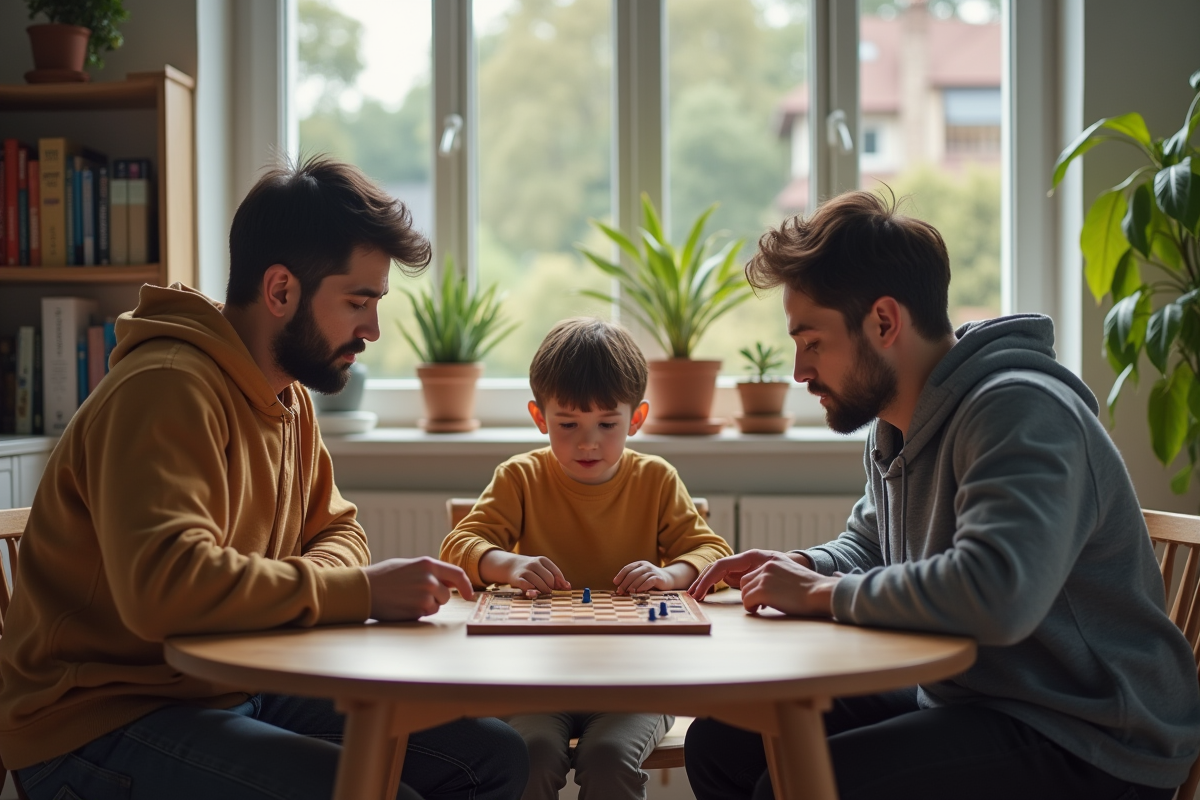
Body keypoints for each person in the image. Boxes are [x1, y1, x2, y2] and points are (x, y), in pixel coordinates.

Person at [0, 156, 528, 800]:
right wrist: (359, 593)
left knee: (494, 755)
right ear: (281, 291)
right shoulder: (166, 387)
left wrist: (344, 579)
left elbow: (339, 529)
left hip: (227, 690)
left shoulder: (287, 396)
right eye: (358, 301)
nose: (373, 330)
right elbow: (165, 590)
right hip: (98, 721)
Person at [684, 190, 1200, 800]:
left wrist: (823, 594)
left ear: (883, 321)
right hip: (981, 696)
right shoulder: (895, 421)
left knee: (791, 786)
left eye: (813, 341)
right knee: (722, 743)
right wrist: (800, 566)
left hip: (1091, 733)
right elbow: (870, 544)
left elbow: (996, 593)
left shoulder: (1019, 410)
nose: (800, 371)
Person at [439, 316, 733, 800]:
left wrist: (669, 574)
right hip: (535, 681)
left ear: (636, 419)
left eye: (607, 423)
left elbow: (712, 553)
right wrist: (506, 564)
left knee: (609, 759)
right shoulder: (519, 477)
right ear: (540, 418)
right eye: (568, 424)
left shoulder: (655, 478)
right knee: (529, 758)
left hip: (636, 685)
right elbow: (458, 545)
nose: (587, 442)